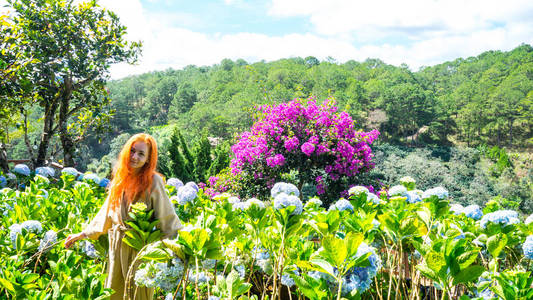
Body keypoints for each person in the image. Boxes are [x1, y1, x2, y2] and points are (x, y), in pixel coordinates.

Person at [65, 133, 182, 300]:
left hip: (139, 247)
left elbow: (167, 217)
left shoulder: (153, 181)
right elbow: (106, 213)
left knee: (138, 294)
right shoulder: (120, 178)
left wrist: (182, 247)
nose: (135, 157)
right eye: (132, 151)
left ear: (148, 159)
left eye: (141, 154)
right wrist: (82, 234)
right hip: (117, 246)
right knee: (115, 292)